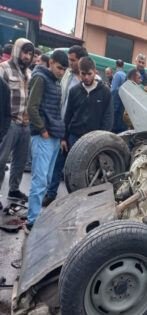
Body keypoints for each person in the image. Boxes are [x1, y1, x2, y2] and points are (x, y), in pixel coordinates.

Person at [25, 50, 69, 232]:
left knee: (47, 179)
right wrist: (42, 130)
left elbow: (54, 111)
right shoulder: (41, 79)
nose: (61, 72)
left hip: (53, 136)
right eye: (59, 68)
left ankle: (36, 217)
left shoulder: (54, 81)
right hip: (44, 135)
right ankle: (32, 221)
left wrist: (57, 136)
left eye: (64, 69)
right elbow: (31, 107)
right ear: (50, 62)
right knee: (40, 180)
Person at [43, 45, 88, 206]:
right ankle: (50, 193)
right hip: (61, 126)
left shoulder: (89, 80)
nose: (69, 63)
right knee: (56, 163)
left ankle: (74, 202)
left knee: (77, 168)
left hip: (78, 129)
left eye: (72, 60)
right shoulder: (65, 75)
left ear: (81, 60)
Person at [0, 38, 34, 205]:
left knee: (20, 161)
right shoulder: (4, 69)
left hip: (25, 124)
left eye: (29, 53)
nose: (27, 56)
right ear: (16, 51)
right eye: (24, 52)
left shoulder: (29, 73)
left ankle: (13, 190)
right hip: (10, 123)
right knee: (1, 160)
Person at [62, 57, 113, 163]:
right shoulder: (74, 91)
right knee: (72, 168)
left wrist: (102, 139)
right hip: (74, 137)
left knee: (89, 170)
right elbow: (68, 115)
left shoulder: (105, 92)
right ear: (79, 72)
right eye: (83, 74)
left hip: (94, 139)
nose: (86, 77)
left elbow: (108, 117)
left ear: (95, 72)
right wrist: (63, 138)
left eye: (89, 74)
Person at [111, 59, 127, 133]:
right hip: (123, 107)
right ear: (123, 66)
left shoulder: (117, 75)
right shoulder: (125, 75)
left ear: (116, 66)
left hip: (116, 107)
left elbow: (114, 90)